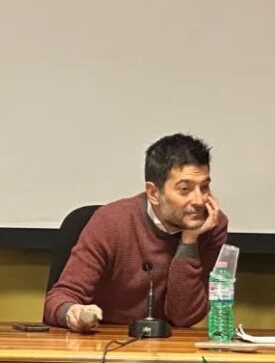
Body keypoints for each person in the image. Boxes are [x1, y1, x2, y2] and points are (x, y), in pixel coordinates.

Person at [44, 133, 227, 332]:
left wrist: (189, 243)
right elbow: (58, 300)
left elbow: (184, 317)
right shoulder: (111, 221)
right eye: (185, 189)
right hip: (104, 340)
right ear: (153, 193)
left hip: (165, 344)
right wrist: (75, 313)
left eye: (204, 187)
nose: (200, 200)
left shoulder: (211, 226)